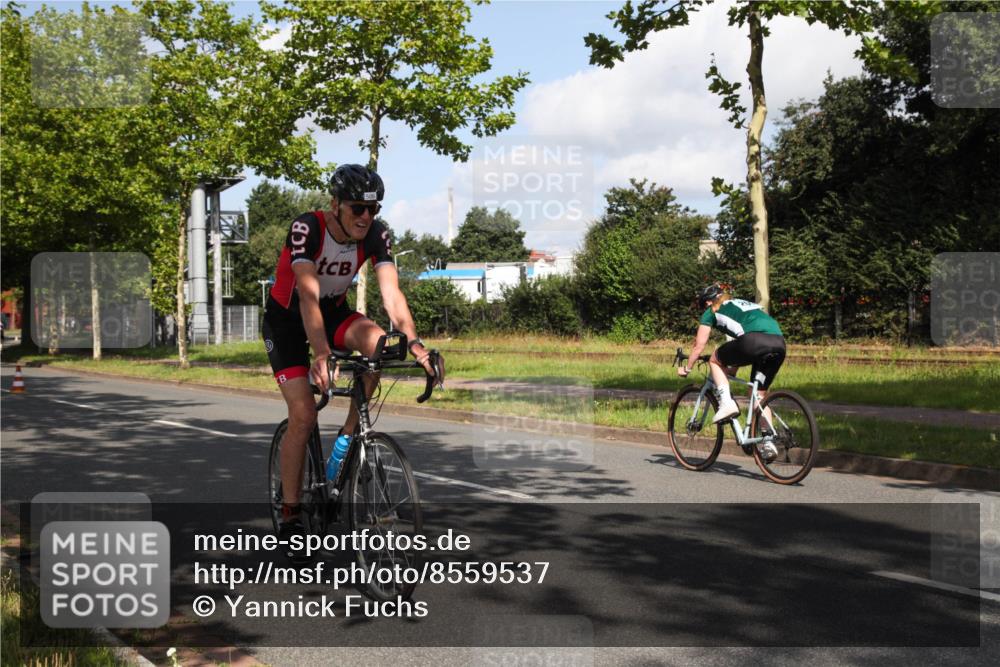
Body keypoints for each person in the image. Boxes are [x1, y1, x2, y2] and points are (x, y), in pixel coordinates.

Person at [262, 164, 436, 561]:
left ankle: (347, 439)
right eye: (357, 208)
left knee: (380, 345)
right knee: (304, 415)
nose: (365, 217)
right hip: (288, 320)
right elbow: (307, 296)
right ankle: (290, 514)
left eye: (373, 210)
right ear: (335, 204)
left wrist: (417, 345)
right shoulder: (307, 228)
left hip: (335, 312)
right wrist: (320, 354)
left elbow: (391, 295)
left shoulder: (376, 234)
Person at [678, 284, 786, 460]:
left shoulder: (712, 310)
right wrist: (729, 372)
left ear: (707, 302)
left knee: (714, 359)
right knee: (758, 395)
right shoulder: (740, 304)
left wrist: (687, 368)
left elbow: (698, 347)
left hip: (754, 341)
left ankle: (727, 404)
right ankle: (767, 440)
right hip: (779, 343)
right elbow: (741, 346)